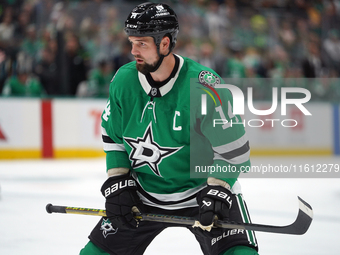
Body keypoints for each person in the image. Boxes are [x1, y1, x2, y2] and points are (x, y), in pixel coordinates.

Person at [80, 2, 259, 255]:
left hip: (203, 193)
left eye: (141, 43)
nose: (133, 51)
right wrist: (119, 178)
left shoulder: (204, 87)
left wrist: (219, 187)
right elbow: (113, 136)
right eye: (131, 42)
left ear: (165, 43)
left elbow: (235, 150)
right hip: (142, 195)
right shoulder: (123, 80)